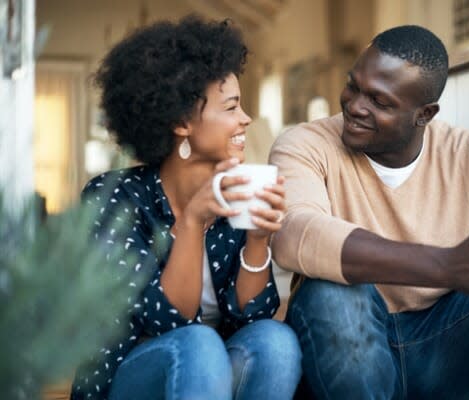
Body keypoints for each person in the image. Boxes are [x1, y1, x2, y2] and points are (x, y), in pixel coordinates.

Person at [269, 25, 469, 400]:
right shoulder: (305, 145)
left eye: (380, 101)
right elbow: (295, 233)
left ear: (424, 114)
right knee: (331, 291)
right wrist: (448, 264)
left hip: (443, 349)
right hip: (344, 349)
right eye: (353, 86)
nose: (356, 106)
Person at [71, 16, 301, 400]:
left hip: (206, 380)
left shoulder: (235, 193)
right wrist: (193, 220)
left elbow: (251, 317)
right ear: (181, 122)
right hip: (130, 379)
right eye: (231, 107)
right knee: (197, 344)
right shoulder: (115, 198)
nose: (245, 118)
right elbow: (168, 320)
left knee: (275, 340)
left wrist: (259, 238)